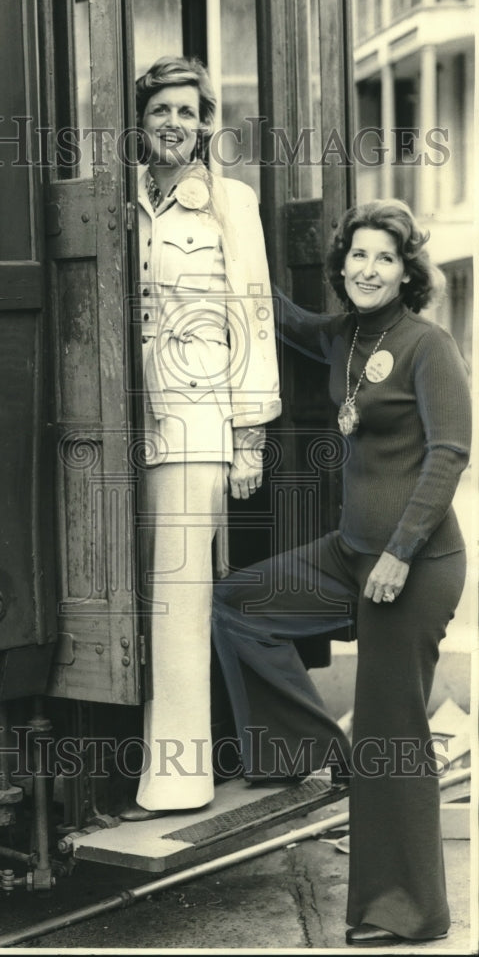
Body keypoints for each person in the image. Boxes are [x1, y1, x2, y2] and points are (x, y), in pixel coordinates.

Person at [211, 198, 471, 945]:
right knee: (238, 602)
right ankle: (312, 751)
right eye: (357, 255)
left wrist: (397, 554)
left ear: (405, 270)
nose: (367, 268)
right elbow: (280, 314)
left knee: (394, 733)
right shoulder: (344, 337)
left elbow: (449, 453)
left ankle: (406, 911)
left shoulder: (427, 344)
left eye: (383, 258)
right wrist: (231, 230)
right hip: (349, 552)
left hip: (413, 565)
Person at [120, 56, 281, 820]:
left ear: (206, 122)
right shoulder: (120, 200)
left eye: (189, 112)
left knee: (179, 598)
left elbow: (252, 316)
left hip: (197, 417)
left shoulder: (230, 201)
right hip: (120, 419)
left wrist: (248, 435)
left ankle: (178, 773)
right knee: (126, 593)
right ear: (142, 120)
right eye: (162, 111)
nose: (175, 124)